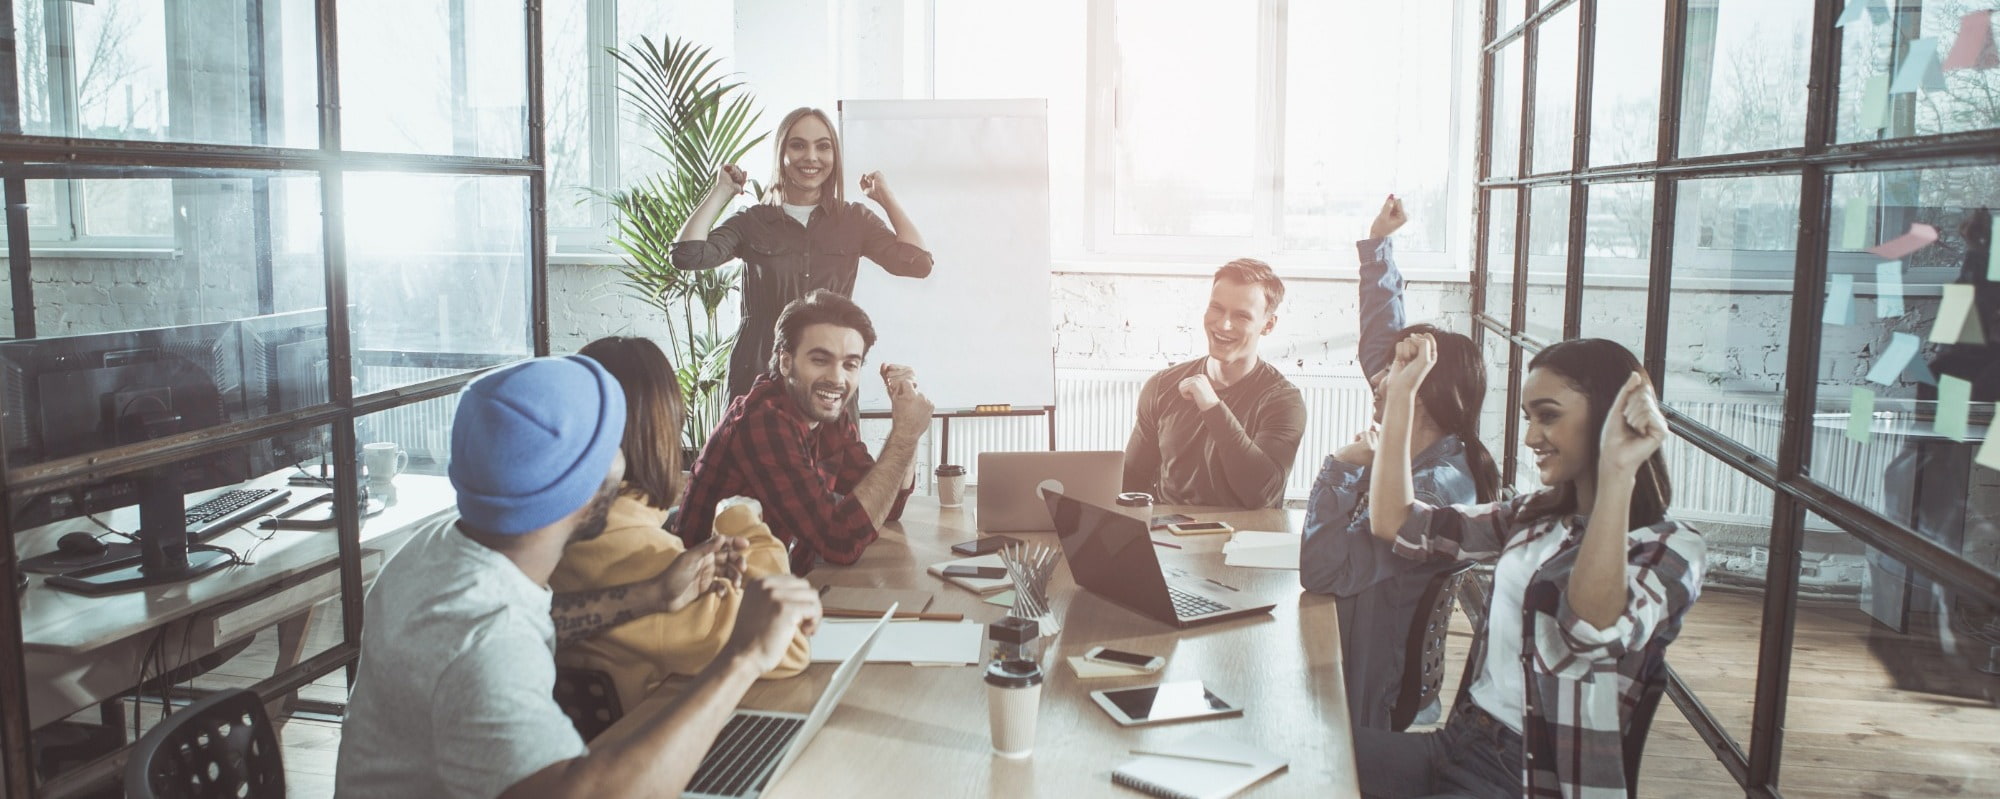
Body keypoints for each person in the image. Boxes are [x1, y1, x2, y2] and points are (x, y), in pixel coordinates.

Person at [334, 356, 822, 799]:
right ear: (582, 488)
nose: (627, 457)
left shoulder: (436, 547)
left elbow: (534, 621)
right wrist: (743, 656)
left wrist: (651, 596)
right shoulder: (488, 644)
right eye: (612, 443)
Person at [1356, 336, 1706, 798]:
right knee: (1297, 751)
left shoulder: (1670, 550)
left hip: (1526, 780)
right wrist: (1402, 393)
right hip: (1459, 743)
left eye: (1549, 416)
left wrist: (1619, 469)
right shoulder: (1536, 515)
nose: (1530, 437)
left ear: (1609, 416)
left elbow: (1587, 630)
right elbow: (1398, 523)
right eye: (1528, 418)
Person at [1298, 196, 1500, 732]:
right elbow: (1382, 339)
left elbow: (1321, 571)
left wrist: (1340, 467)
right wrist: (1378, 246)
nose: (1377, 377)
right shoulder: (1432, 442)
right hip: (1359, 659)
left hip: (1368, 696)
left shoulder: (1435, 485)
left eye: (1394, 373)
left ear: (1421, 397)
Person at [550, 336, 811, 711]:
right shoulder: (644, 559)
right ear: (660, 435)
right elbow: (788, 647)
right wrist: (739, 518)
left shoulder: (544, 536)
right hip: (652, 748)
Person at [672, 106, 935, 402]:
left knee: (830, 451)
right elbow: (688, 255)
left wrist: (886, 198)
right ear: (781, 154)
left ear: (834, 157)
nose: (811, 157)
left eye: (823, 147)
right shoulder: (752, 221)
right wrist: (721, 191)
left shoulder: (854, 220)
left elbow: (918, 263)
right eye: (798, 145)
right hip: (760, 373)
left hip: (830, 377)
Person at [675, 289, 932, 575]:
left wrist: (905, 411)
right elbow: (841, 542)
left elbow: (888, 506)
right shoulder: (764, 420)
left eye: (850, 364)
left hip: (774, 587)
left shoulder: (828, 415)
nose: (837, 378)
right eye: (820, 360)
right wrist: (905, 435)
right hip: (710, 601)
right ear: (786, 362)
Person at [1121, 258, 1308, 508]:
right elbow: (1130, 481)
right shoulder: (1161, 386)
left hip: (1244, 540)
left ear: (1268, 325)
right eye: (1217, 308)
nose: (1223, 324)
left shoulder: (1283, 400)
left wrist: (1212, 406)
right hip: (1171, 535)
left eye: (1242, 315)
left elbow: (1261, 494)